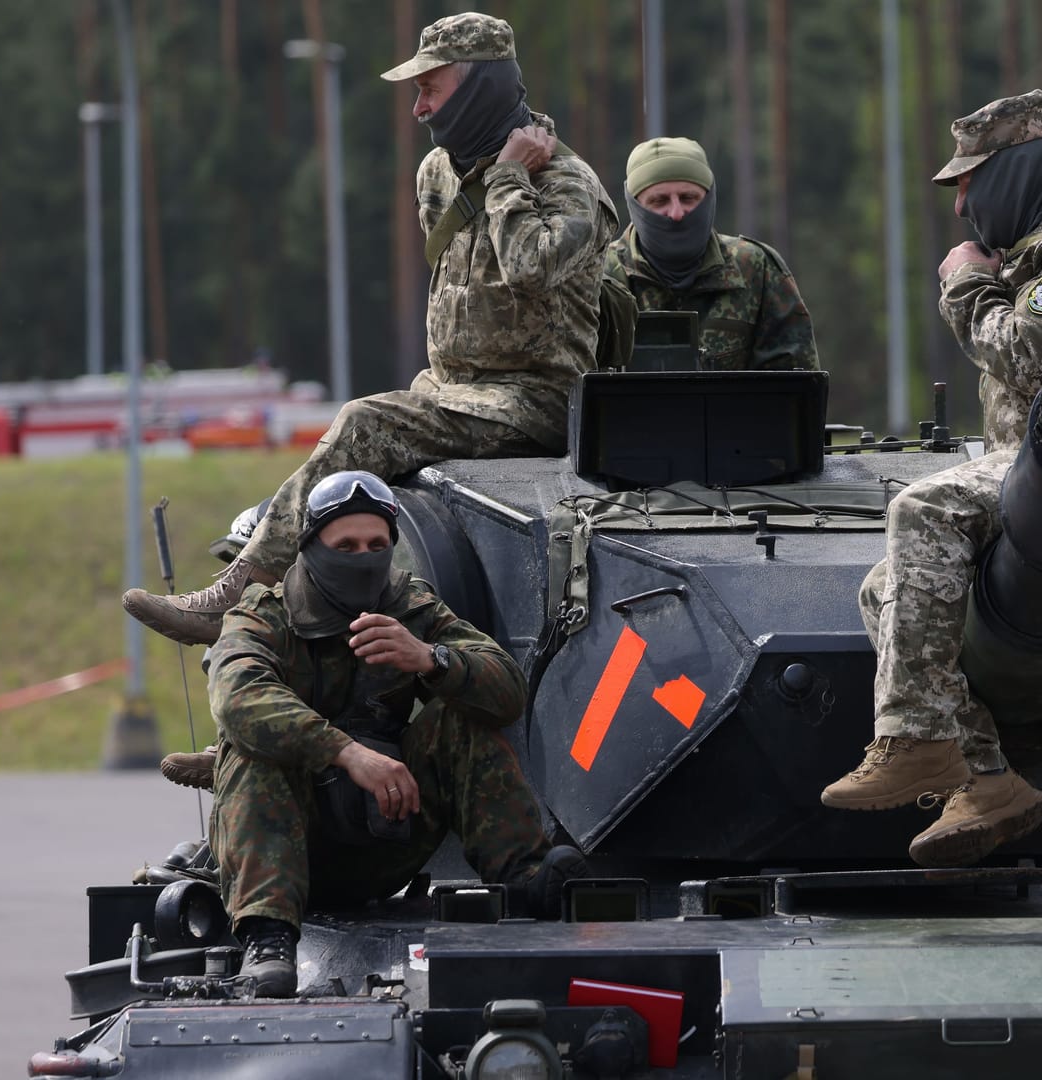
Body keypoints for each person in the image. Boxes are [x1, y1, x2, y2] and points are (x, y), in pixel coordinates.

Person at [122, 11, 617, 647]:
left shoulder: (570, 183)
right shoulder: (437, 172)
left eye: (430, 90)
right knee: (354, 504)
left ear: (479, 90)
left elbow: (528, 269)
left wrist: (507, 177)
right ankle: (278, 661)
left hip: (534, 403)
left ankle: (236, 597)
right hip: (449, 391)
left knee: (363, 424)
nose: (418, 109)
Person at [819, 90, 1042, 867]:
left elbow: (1035, 353)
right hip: (1038, 474)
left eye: (967, 184)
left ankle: (913, 736)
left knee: (923, 508)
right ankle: (986, 777)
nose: (959, 210)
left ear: (1011, 173)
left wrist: (963, 286)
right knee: (885, 590)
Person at [209, 470, 585, 998]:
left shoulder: (410, 606)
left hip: (386, 834)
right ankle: (268, 938)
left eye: (375, 545)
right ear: (312, 548)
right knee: (253, 750)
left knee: (461, 713)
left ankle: (524, 879)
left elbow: (507, 690)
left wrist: (432, 660)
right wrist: (346, 753)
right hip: (292, 849)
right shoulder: (265, 616)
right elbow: (237, 699)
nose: (362, 557)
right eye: (345, 545)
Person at [603, 137, 819, 370]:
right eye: (659, 200)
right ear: (635, 206)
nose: (676, 213)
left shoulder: (756, 269)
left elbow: (795, 386)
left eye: (688, 198)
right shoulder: (601, 278)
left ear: (709, 198)